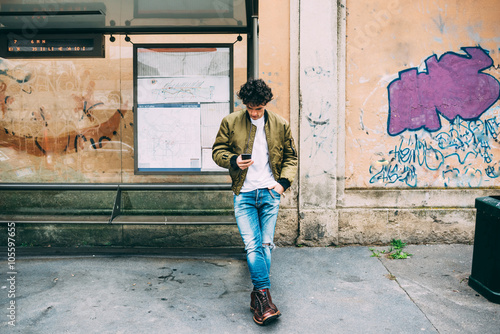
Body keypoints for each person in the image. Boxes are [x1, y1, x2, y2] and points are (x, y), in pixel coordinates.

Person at [212, 78, 298, 326]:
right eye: (249, 108)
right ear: (244, 104)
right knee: (253, 246)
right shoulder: (231, 122)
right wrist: (233, 160)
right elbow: (217, 151)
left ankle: (259, 298)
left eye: (258, 108)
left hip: (270, 193)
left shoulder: (280, 124)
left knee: (266, 245)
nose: (254, 112)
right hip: (245, 194)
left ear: (266, 104)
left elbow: (291, 156)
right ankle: (264, 298)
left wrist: (282, 184)